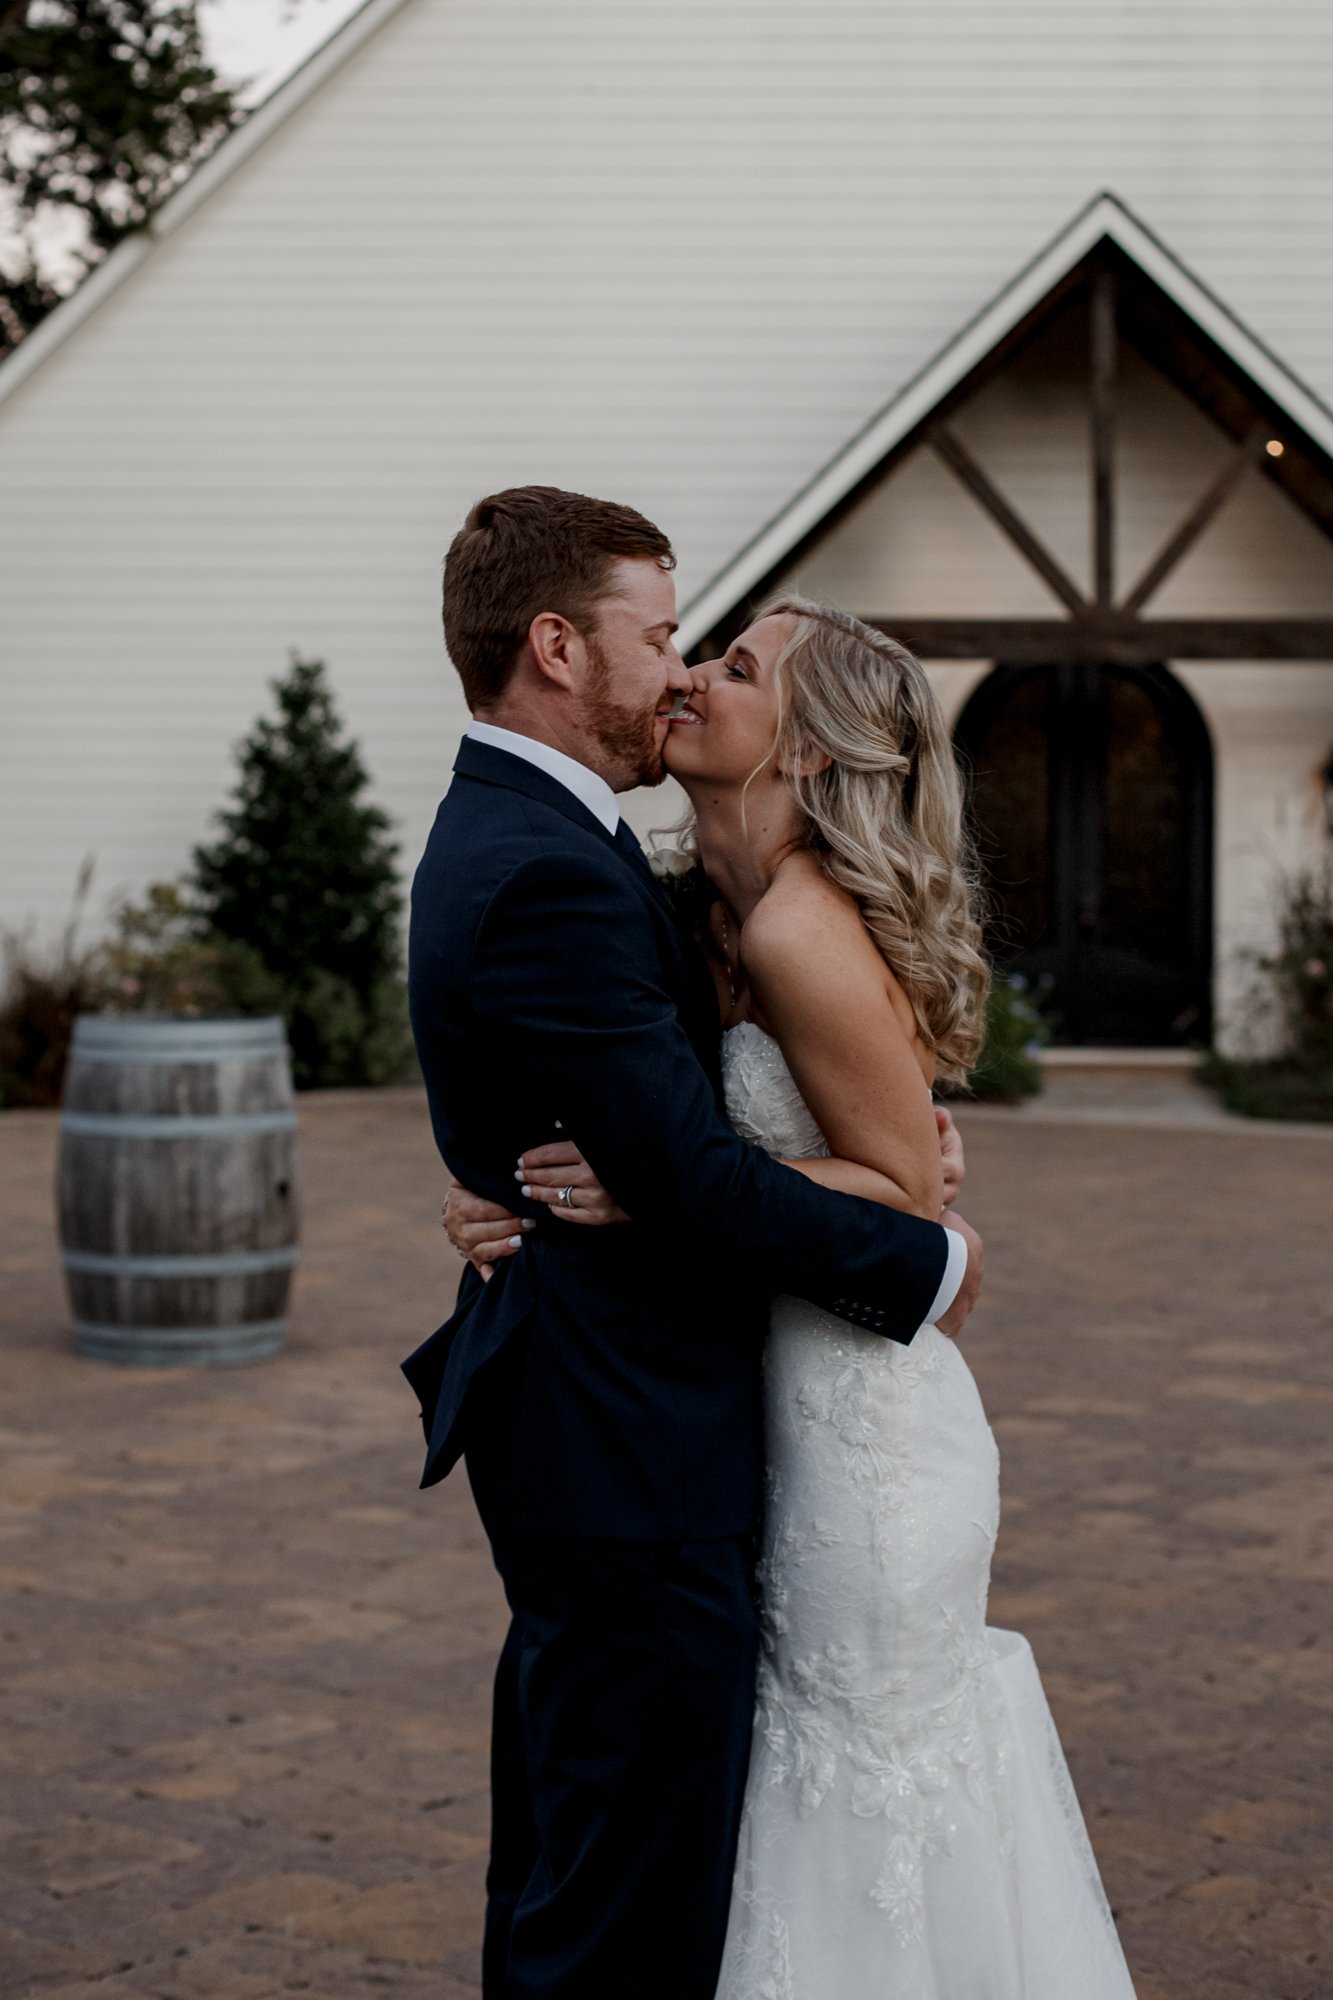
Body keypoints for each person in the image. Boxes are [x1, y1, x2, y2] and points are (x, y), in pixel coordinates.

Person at [453, 598, 1139, 1996]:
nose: (695, 677)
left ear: (812, 754)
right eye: (702, 651)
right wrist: (493, 1193)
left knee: (858, 1778)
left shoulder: (800, 934)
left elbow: (910, 1199)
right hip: (752, 1399)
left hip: (866, 1439)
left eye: (737, 669)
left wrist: (670, 1179)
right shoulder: (688, 911)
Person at [402, 487, 983, 2000]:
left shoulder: (614, 863)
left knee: (596, 1863)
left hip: (671, 1426)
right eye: (667, 641)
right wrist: (929, 1259)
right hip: (627, 1444)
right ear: (554, 646)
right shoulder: (552, 864)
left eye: (712, 656)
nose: (679, 672)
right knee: (617, 1900)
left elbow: (693, 1153)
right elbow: (686, 1167)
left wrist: (894, 1194)